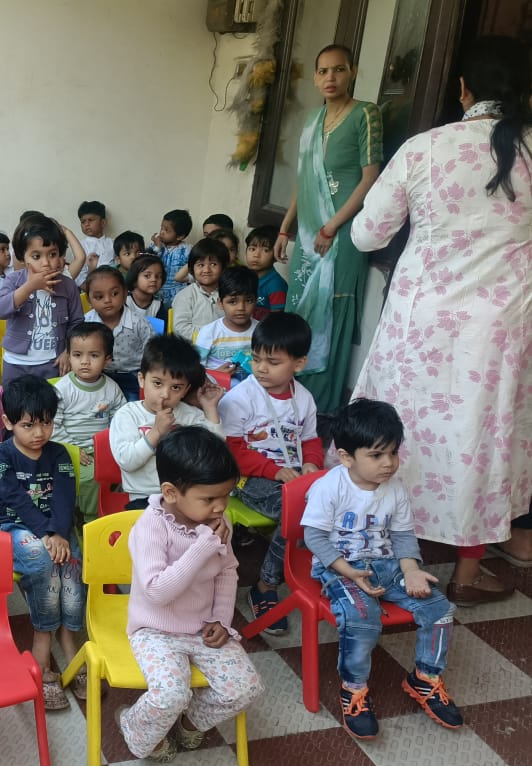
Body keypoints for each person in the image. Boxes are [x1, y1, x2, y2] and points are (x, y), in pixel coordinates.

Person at [349, 35, 532, 604]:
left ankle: (372, 555)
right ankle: (468, 576)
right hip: (500, 327)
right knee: (483, 435)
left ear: (463, 89)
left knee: (400, 425)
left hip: (421, 320)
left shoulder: (426, 148)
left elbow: (367, 234)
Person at [303, 399, 461, 736]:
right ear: (346, 457)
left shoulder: (395, 489)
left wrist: (411, 569)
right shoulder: (329, 486)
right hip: (339, 566)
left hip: (388, 566)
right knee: (363, 618)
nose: (388, 463)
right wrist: (346, 571)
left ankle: (425, 678)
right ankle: (354, 689)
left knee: (440, 609)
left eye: (392, 453)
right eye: (376, 455)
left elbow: (402, 535)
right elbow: (313, 536)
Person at [119, 426, 263, 762]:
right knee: (170, 695)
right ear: (171, 492)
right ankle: (134, 727)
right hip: (154, 629)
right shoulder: (151, 527)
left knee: (246, 688)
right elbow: (157, 592)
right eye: (209, 499)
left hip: (201, 627)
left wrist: (221, 618)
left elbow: (226, 571)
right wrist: (202, 546)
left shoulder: (217, 522)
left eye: (225, 496)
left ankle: (189, 721)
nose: (220, 507)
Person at [274, 44, 383, 415]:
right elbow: (304, 181)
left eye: (338, 69)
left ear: (352, 71)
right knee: (300, 308)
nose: (330, 78)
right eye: (323, 71)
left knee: (331, 311)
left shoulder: (366, 114)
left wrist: (332, 227)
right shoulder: (311, 121)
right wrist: (285, 228)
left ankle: (320, 407)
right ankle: (289, 397)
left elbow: (370, 178)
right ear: (315, 77)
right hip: (309, 233)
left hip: (341, 234)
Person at [219, 313, 323, 635]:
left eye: (273, 362)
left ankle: (328, 572)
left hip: (291, 476)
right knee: (299, 511)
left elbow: (310, 439)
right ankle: (266, 585)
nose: (261, 368)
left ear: (299, 363)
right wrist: (275, 471)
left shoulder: (303, 398)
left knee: (332, 499)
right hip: (247, 478)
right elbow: (233, 451)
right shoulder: (240, 398)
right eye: (256, 359)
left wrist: (311, 464)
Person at [0, 376, 83, 709]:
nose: (39, 433)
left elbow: (64, 497)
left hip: (56, 527)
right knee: (43, 560)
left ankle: (68, 636)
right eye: (28, 425)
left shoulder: (59, 454)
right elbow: (15, 499)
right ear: (8, 422)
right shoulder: (0, 456)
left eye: (46, 423)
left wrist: (58, 533)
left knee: (72, 561)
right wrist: (46, 534)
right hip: (14, 526)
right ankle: (42, 640)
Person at [110, 335, 223, 510]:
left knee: (218, 520)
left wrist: (210, 408)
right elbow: (127, 461)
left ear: (186, 390)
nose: (165, 394)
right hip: (144, 498)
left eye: (176, 387)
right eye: (157, 383)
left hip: (185, 497)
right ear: (141, 379)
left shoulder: (190, 416)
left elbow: (215, 454)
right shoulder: (128, 415)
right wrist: (156, 432)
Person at [0, 216, 85, 385]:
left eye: (52, 254)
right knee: (14, 402)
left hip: (52, 364)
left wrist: (68, 351)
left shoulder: (68, 285)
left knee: (52, 402)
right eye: (36, 256)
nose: (46, 263)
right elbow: (0, 310)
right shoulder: (14, 280)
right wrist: (29, 287)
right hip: (16, 364)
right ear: (23, 257)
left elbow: (77, 323)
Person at [53, 323, 127, 525]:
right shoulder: (63, 389)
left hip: (105, 449)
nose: (85, 362)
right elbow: (53, 425)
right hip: (70, 449)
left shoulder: (112, 388)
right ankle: (89, 519)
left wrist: (113, 445)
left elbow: (120, 420)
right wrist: (72, 449)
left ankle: (112, 510)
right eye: (77, 355)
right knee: (92, 477)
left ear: (107, 359)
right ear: (69, 356)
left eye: (94, 355)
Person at [83, 266, 151, 400]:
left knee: (132, 407)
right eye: (99, 297)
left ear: (125, 293)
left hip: (131, 375)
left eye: (114, 294)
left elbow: (152, 350)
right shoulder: (86, 322)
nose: (107, 300)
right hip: (99, 374)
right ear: (89, 300)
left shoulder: (138, 322)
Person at [194, 265, 258, 383]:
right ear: (220, 303)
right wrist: (215, 375)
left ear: (256, 301)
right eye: (233, 302)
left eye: (248, 300)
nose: (241, 308)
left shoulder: (260, 331)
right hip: (216, 388)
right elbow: (194, 370)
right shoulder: (209, 332)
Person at [171, 237, 230, 340]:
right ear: (191, 269)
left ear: (223, 267)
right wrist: (210, 337)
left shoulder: (230, 294)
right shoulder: (185, 296)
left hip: (225, 345)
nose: (206, 270)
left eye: (213, 264)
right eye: (200, 265)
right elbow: (180, 328)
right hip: (194, 347)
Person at [148, 209, 193, 306]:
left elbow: (195, 269)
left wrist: (189, 280)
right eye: (161, 228)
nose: (162, 232)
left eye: (167, 230)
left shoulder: (187, 250)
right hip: (157, 294)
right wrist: (157, 248)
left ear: (180, 236)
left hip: (178, 294)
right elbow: (147, 263)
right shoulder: (155, 246)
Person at [244, 226, 286, 320]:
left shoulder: (276, 285)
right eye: (252, 249)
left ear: (277, 254)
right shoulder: (243, 277)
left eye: (265, 250)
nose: (256, 255)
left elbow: (277, 319)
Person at [76, 200, 116, 284]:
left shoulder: (113, 243)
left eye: (90, 220)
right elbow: (79, 277)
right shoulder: (80, 246)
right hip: (90, 286)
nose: (86, 224)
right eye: (83, 221)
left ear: (103, 222)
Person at [124, 253, 164, 322]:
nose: (154, 279)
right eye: (147, 276)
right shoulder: (124, 301)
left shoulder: (158, 304)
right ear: (134, 277)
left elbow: (159, 328)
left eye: (158, 276)